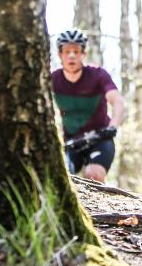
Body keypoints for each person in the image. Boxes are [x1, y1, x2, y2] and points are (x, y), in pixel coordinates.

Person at [51, 28, 125, 181]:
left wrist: (113, 126)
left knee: (93, 175)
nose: (72, 55)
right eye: (67, 51)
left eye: (76, 51)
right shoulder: (53, 79)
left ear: (84, 54)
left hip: (100, 138)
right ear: (60, 54)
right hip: (70, 142)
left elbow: (117, 100)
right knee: (63, 178)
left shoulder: (98, 75)